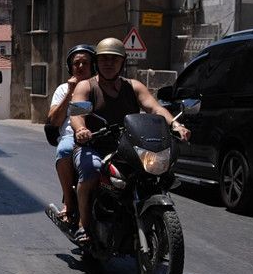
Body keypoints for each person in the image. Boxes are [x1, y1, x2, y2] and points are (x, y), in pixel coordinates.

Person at [69, 36, 191, 244]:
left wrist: (175, 125)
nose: (109, 63)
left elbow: (155, 108)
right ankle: (84, 225)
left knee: (154, 174)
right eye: (104, 59)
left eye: (114, 59)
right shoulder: (86, 87)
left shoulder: (133, 86)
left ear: (122, 62)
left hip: (128, 147)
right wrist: (81, 129)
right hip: (94, 145)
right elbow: (76, 112)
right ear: (97, 61)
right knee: (90, 172)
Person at [48, 44, 97, 224]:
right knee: (63, 151)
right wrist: (70, 92)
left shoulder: (100, 86)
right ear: (70, 67)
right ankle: (69, 201)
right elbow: (54, 120)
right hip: (72, 136)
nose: (81, 67)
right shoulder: (62, 89)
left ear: (93, 65)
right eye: (76, 63)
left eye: (85, 62)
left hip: (101, 135)